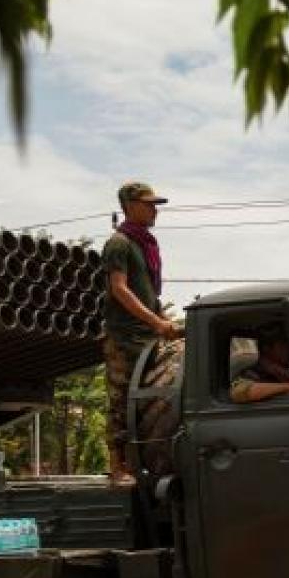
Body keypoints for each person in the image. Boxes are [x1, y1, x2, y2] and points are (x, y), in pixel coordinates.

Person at [101, 181, 185, 486]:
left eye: (155, 205)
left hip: (146, 335)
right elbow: (119, 289)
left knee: (147, 400)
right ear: (130, 205)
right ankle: (116, 467)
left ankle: (140, 462)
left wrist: (164, 320)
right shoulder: (120, 243)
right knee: (121, 399)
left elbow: (148, 293)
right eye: (148, 204)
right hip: (124, 336)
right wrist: (155, 322)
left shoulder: (144, 244)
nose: (154, 210)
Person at [230, 332, 289, 404]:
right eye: (282, 346)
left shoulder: (287, 370)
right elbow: (239, 392)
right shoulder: (252, 372)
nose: (288, 350)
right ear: (266, 348)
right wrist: (287, 387)